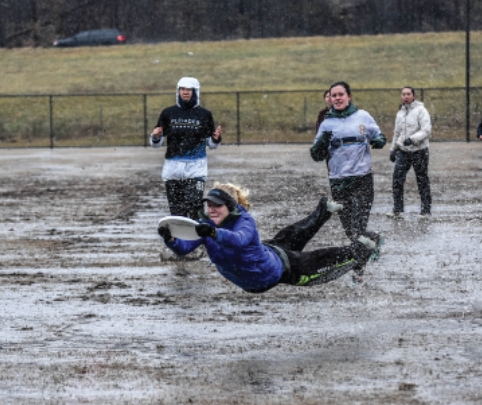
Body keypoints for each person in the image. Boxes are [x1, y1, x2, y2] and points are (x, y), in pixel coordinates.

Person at [157, 182, 376, 293]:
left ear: (231, 207)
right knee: (291, 235)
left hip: (279, 271)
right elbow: (183, 250)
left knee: (322, 258)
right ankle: (325, 210)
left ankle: (364, 248)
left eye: (218, 206)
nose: (212, 210)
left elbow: (239, 241)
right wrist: (171, 239)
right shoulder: (206, 225)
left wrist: (213, 233)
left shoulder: (245, 222)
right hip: (268, 253)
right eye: (209, 206)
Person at [310, 81, 386, 281]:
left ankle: (358, 272)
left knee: (358, 227)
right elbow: (316, 155)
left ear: (349, 96)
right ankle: (374, 240)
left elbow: (379, 136)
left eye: (341, 94)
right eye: (334, 95)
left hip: (362, 179)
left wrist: (378, 141)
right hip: (338, 181)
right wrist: (323, 140)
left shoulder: (363, 116)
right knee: (351, 232)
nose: (337, 98)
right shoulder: (326, 123)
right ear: (330, 99)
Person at [151, 77, 222, 220]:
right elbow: (156, 144)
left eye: (189, 90)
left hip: (196, 168)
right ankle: (180, 239)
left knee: (195, 205)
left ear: (195, 92)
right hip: (172, 168)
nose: (185, 92)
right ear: (178, 91)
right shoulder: (168, 113)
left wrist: (215, 139)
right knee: (177, 209)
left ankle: (198, 237)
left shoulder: (204, 115)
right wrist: (156, 136)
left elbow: (212, 144)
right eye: (183, 89)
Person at [387, 86, 432, 219]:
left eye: (408, 94)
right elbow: (397, 132)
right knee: (397, 179)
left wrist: (412, 140)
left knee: (422, 180)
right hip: (403, 151)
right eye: (403, 94)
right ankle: (397, 209)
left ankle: (426, 210)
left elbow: (426, 130)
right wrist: (393, 149)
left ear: (413, 96)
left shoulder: (421, 110)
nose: (406, 96)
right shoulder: (400, 113)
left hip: (419, 151)